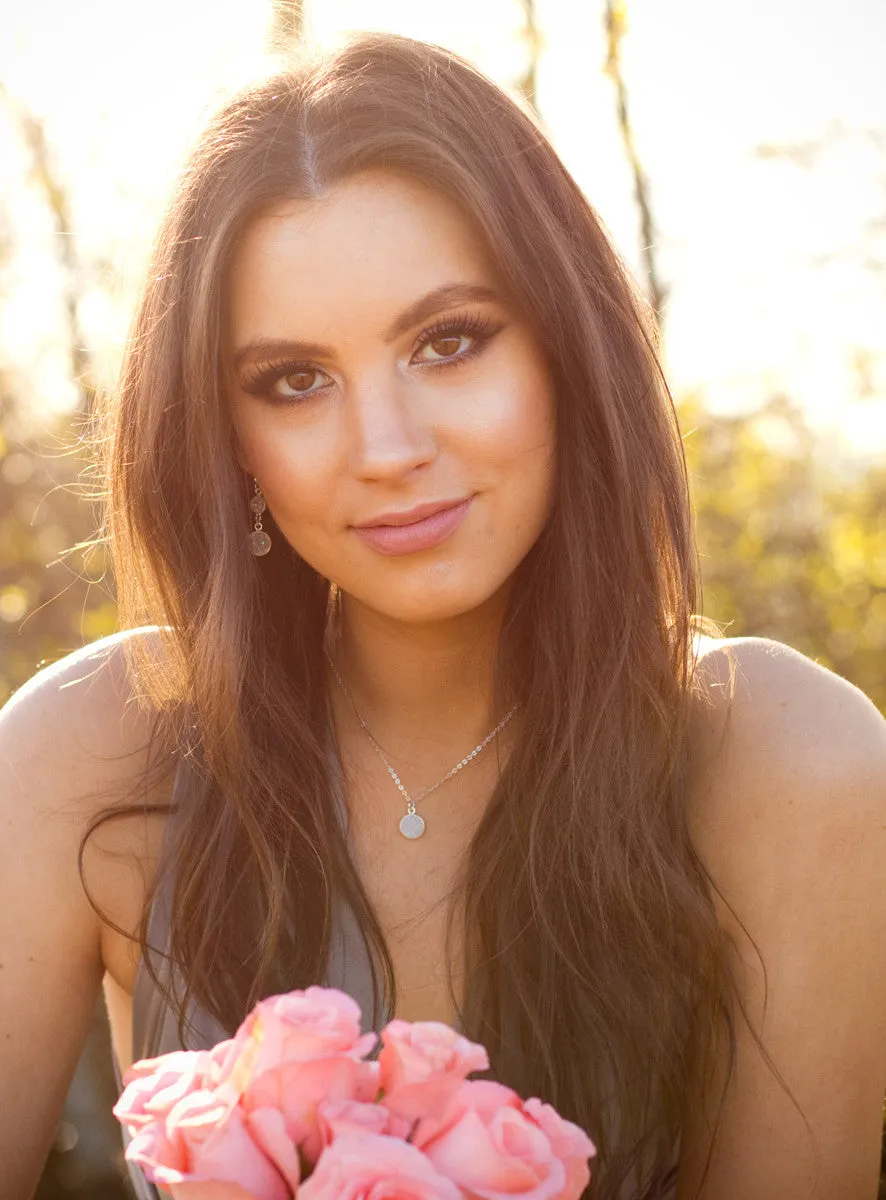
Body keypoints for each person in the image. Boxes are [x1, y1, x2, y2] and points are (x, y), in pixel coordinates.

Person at [1, 30, 885, 1200]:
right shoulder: (91, 751)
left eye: (450, 341)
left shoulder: (791, 766)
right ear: (228, 440)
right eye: (294, 381)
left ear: (570, 352)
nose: (388, 450)